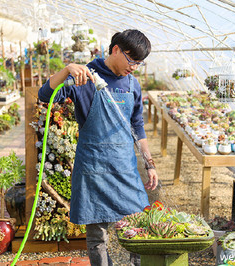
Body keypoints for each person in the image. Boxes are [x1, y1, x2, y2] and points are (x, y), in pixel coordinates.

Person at [38, 29, 158, 266]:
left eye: (139, 63)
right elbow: (44, 94)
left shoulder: (132, 84)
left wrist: (149, 163)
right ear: (116, 50)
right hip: (93, 168)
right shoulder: (84, 79)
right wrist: (66, 71)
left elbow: (137, 126)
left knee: (139, 227)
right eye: (132, 60)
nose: (134, 67)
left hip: (124, 167)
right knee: (97, 235)